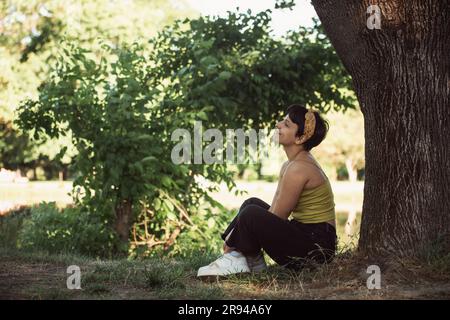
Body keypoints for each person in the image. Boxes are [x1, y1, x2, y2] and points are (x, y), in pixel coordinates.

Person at [197, 104, 337, 278]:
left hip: (316, 250)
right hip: (306, 234)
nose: (278, 125)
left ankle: (236, 258)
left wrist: (234, 241)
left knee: (251, 213)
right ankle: (248, 258)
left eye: (286, 124)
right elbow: (273, 212)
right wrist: (237, 238)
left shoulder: (299, 168)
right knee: (252, 204)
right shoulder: (291, 164)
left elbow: (277, 217)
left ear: (300, 138)